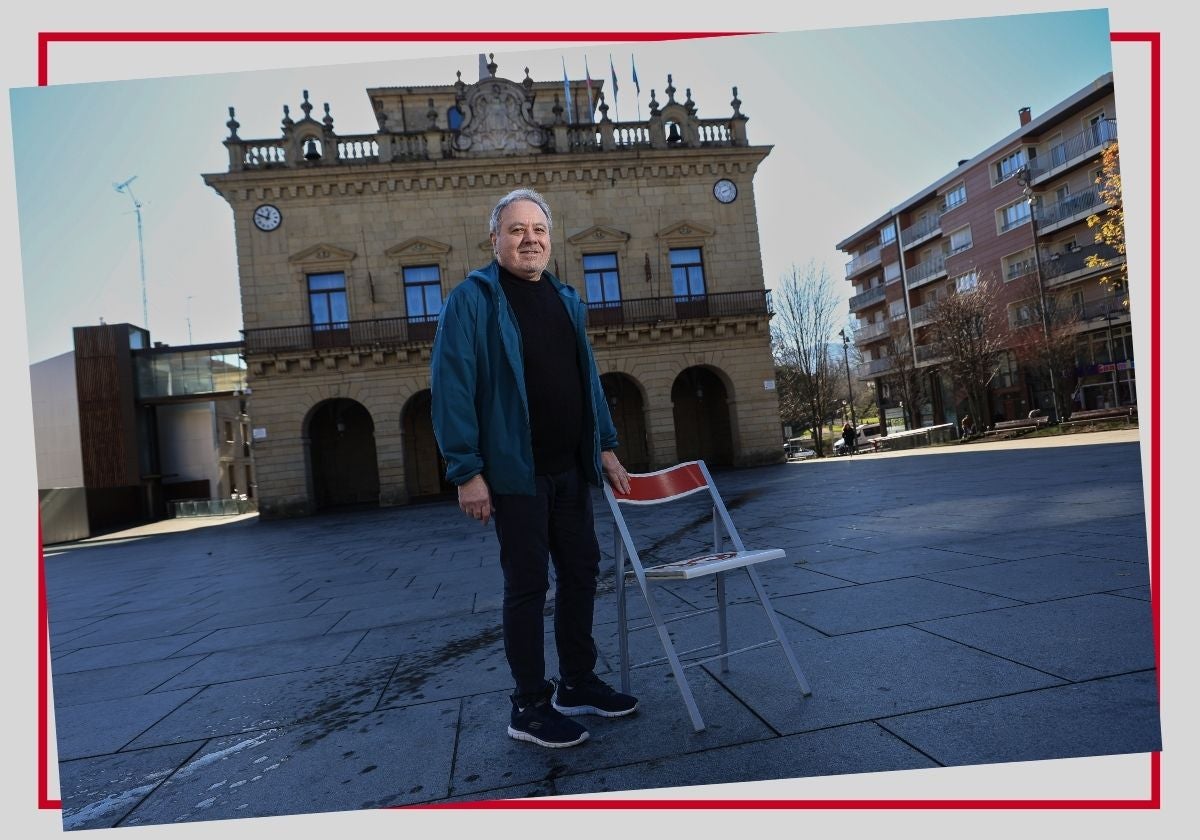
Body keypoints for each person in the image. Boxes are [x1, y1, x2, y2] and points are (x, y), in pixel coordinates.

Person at [430, 188, 638, 749]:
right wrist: (466, 471)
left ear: (550, 238)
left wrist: (606, 445)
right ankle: (528, 706)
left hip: (570, 469)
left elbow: (585, 379)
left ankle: (577, 683)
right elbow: (452, 387)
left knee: (580, 574)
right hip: (514, 474)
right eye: (517, 229)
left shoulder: (565, 298)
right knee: (526, 585)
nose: (530, 239)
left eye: (539, 230)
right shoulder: (471, 299)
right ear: (494, 238)